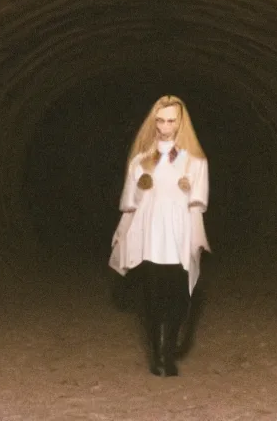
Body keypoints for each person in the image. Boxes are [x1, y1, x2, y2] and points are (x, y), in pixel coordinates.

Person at [109, 94, 210, 376]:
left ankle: (168, 349)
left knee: (178, 296)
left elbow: (198, 205)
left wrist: (197, 241)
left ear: (180, 124)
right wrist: (122, 235)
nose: (165, 126)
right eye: (160, 120)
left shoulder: (195, 162)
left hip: (178, 234)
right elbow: (130, 204)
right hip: (150, 234)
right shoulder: (140, 161)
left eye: (171, 121)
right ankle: (159, 356)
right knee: (153, 296)